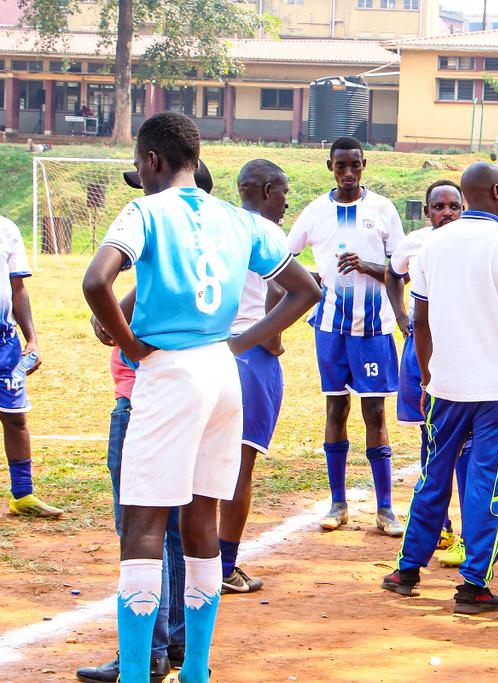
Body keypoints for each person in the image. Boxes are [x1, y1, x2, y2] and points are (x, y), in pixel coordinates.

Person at [82, 112, 320, 682]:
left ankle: (138, 674)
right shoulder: (240, 219)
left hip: (170, 373)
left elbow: (96, 281)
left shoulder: (145, 210)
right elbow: (305, 289)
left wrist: (131, 345)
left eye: (140, 165)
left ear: (152, 161)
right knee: (200, 522)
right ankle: (197, 672)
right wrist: (240, 342)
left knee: (142, 524)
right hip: (221, 370)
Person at [75, 159, 219, 683]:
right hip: (198, 393)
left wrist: (128, 335)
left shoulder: (165, 244)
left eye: (149, 183)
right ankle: (180, 643)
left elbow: (102, 321)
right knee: (188, 527)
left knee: (141, 527)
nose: (145, 194)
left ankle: (148, 652)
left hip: (146, 400)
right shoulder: (208, 253)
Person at [380, 162, 498, 614]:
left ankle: (407, 570)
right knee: (489, 485)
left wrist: (429, 376)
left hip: (446, 386)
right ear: (495, 191)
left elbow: (421, 320)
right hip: (497, 391)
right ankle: (473, 585)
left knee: (433, 475)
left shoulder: (432, 245)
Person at [286, 136, 407, 536]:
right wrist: (315, 280)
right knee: (336, 410)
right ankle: (337, 504)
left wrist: (370, 266)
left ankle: (385, 508)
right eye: (342, 166)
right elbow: (285, 258)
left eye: (355, 165)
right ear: (330, 167)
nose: (349, 173)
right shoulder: (316, 211)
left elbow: (402, 270)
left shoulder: (383, 209)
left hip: (373, 330)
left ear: (365, 164)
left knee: (374, 412)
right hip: (331, 329)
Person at [384, 179, 469, 569]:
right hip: (423, 345)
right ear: (427, 211)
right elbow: (392, 274)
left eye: (454, 206)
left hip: (462, 346)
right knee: (428, 431)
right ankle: (441, 525)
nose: (447, 213)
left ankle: (470, 532)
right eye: (439, 206)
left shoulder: (475, 241)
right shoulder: (416, 243)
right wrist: (401, 315)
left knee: (466, 440)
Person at [217, 159, 292, 595]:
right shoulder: (267, 232)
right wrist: (273, 339)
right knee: (239, 468)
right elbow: (279, 291)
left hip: (209, 350)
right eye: (282, 191)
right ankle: (225, 566)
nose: (286, 201)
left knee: (201, 463)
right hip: (249, 356)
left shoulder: (220, 225)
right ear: (265, 190)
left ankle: (193, 560)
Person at [0, 210, 57, 518]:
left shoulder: (7, 229)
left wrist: (31, 339)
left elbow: (18, 289)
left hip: (4, 343)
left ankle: (22, 495)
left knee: (15, 417)